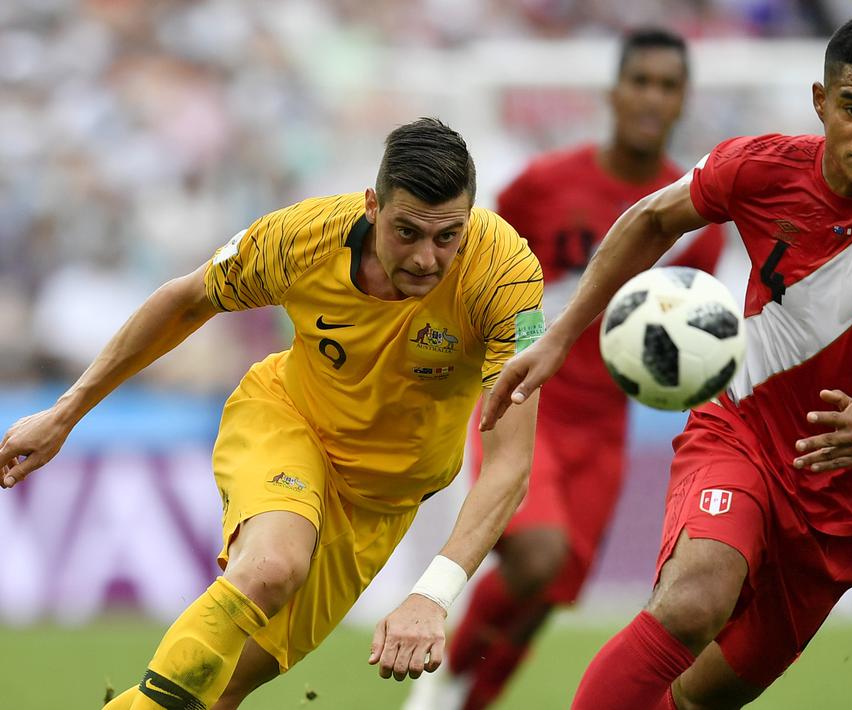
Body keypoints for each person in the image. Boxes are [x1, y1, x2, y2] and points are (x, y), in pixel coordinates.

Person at [482, 13, 852, 709]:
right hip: (737, 431)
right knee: (691, 602)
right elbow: (651, 219)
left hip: (845, 506)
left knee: (691, 700)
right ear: (820, 102)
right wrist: (559, 335)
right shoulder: (762, 167)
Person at [0, 118, 545, 710]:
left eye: (447, 237)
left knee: (218, 688)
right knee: (270, 566)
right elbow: (185, 302)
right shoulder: (302, 238)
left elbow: (511, 466)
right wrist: (65, 412)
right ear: (372, 206)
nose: (425, 258)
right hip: (290, 424)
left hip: (382, 502)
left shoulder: (508, 277)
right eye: (406, 231)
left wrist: (432, 596)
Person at [404, 28, 724, 710]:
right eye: (640, 81)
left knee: (545, 594)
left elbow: (677, 345)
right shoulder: (544, 185)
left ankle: (467, 700)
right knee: (537, 557)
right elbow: (474, 269)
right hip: (523, 400)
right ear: (614, 92)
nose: (650, 97)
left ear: (681, 102)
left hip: (603, 429)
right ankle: (434, 689)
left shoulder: (700, 221)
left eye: (667, 86)